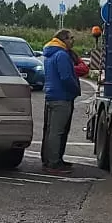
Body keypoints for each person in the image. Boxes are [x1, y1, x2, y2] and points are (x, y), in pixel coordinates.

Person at [39, 28, 80, 174]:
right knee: (57, 132)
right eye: (71, 38)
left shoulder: (50, 54)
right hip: (62, 97)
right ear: (64, 40)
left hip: (51, 95)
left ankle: (48, 159)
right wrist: (76, 89)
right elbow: (66, 77)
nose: (73, 40)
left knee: (50, 131)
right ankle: (54, 163)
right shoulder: (61, 55)